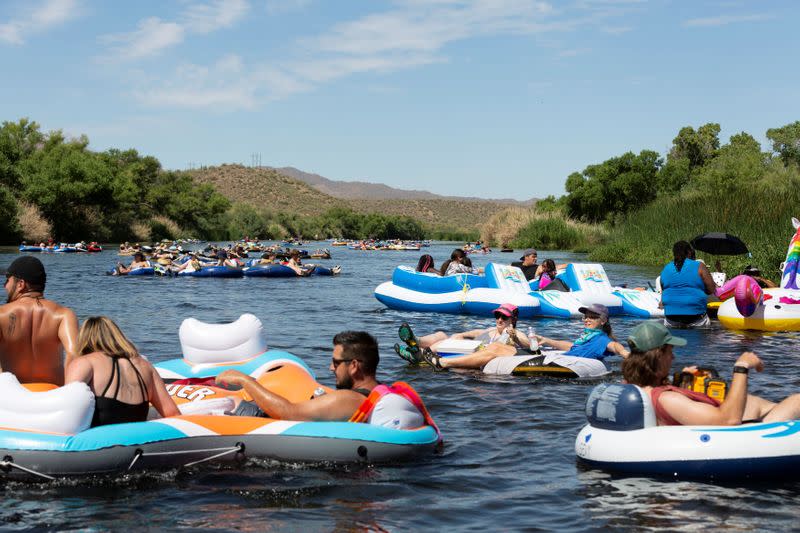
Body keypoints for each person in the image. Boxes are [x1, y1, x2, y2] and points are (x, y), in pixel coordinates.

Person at [217, 331, 430, 429]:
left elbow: (288, 413)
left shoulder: (349, 399)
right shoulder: (387, 392)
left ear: (354, 365)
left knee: (234, 407)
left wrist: (245, 380)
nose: (330, 368)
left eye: (336, 363)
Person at [621, 321, 800, 426]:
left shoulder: (631, 386)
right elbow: (728, 420)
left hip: (732, 419)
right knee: (796, 401)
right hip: (735, 434)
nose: (673, 357)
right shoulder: (666, 399)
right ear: (658, 355)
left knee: (756, 403)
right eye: (670, 352)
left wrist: (676, 381)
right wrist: (741, 367)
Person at [66, 316, 180, 427]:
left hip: (98, 442)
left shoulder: (84, 362)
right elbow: (173, 414)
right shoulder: (145, 366)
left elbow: (67, 408)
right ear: (117, 336)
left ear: (84, 339)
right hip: (137, 440)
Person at [0, 256, 79, 385]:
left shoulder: (1, 314)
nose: (5, 286)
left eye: (7, 280)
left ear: (20, 284)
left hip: (13, 397)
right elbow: (75, 355)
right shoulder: (64, 314)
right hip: (52, 395)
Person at [394, 303, 534, 370]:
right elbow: (476, 332)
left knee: (451, 340)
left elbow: (527, 344)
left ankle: (420, 354)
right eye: (497, 315)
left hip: (476, 357)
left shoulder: (512, 332)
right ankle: (416, 341)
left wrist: (515, 336)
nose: (499, 319)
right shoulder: (492, 329)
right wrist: (461, 334)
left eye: (504, 317)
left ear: (513, 319)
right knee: (443, 334)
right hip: (470, 350)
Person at [534, 303, 629, 360]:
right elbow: (572, 347)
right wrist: (546, 340)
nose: (587, 319)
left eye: (592, 317)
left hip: (574, 365)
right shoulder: (586, 338)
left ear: (603, 321)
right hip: (565, 359)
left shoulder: (602, 339)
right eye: (586, 317)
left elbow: (614, 345)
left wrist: (624, 352)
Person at [660, 241, 716, 328]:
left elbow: (664, 290)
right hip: (696, 319)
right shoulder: (700, 266)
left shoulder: (666, 268)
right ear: (689, 252)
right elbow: (711, 289)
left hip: (671, 319)